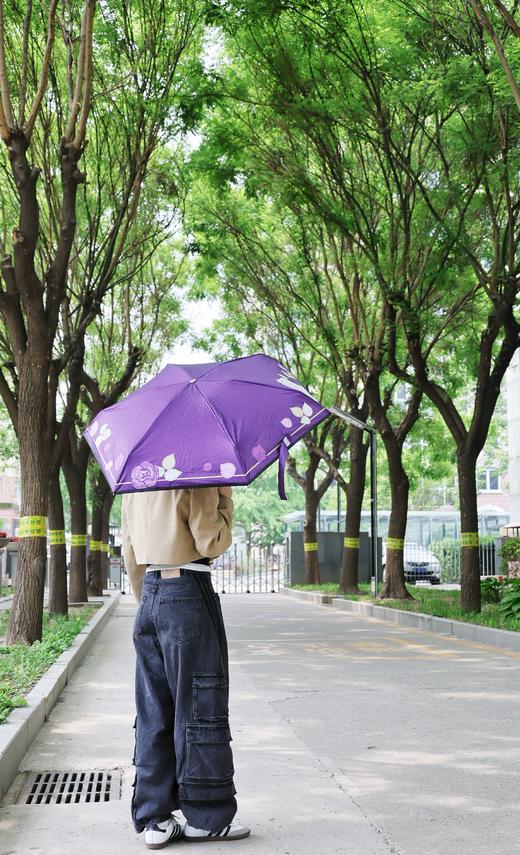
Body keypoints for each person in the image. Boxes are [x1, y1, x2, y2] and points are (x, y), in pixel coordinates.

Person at [122, 484, 251, 849]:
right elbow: (210, 541)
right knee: (199, 704)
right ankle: (206, 817)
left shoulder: (137, 480)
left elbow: (129, 549)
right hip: (188, 589)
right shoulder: (196, 472)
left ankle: (155, 818)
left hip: (149, 591)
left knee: (154, 711)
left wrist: (149, 601)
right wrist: (224, 499)